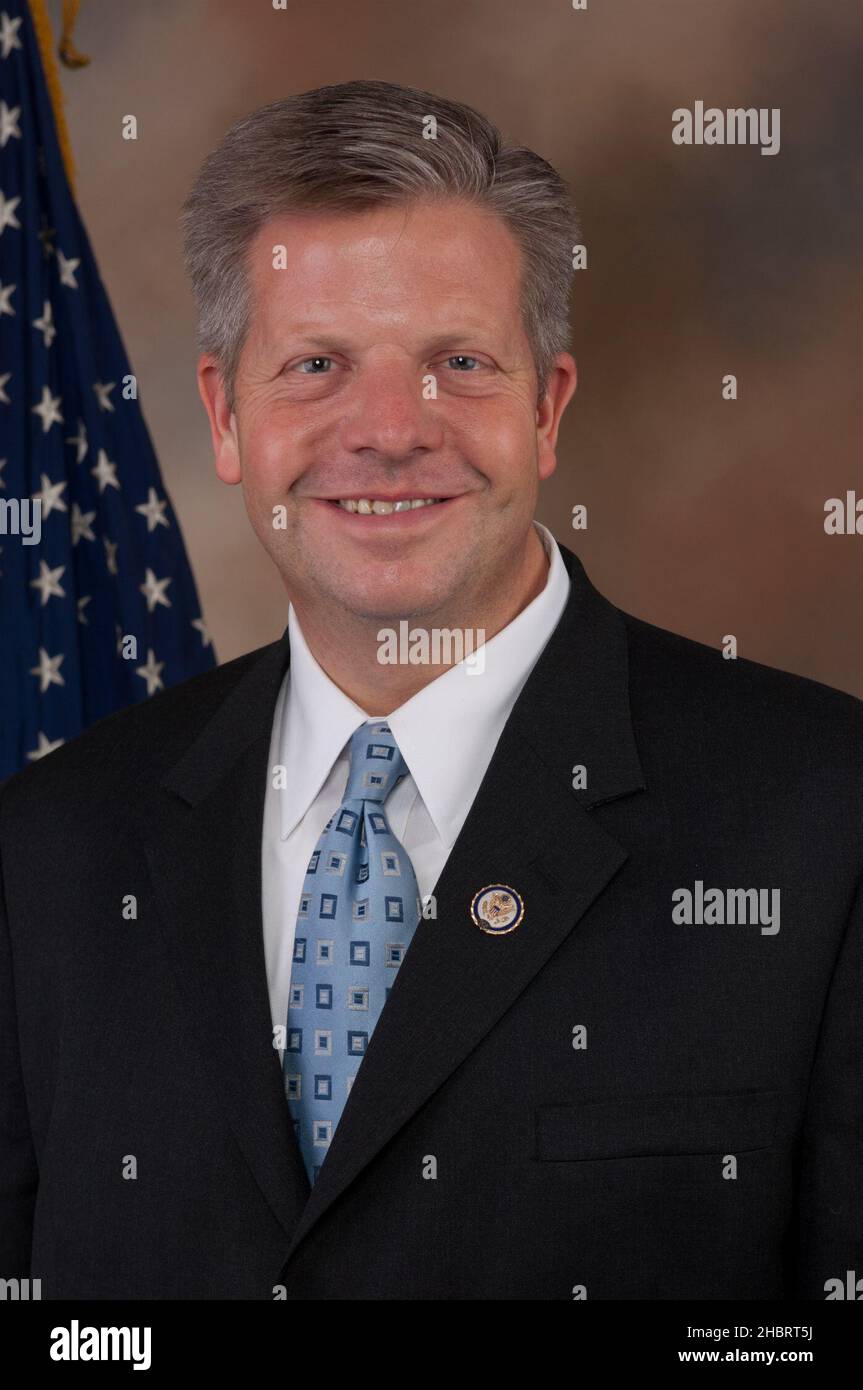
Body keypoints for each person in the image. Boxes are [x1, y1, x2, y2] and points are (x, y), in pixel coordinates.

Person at [1, 79, 861, 1301]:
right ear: (224, 416)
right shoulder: (52, 844)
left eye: (456, 361)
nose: (388, 430)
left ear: (545, 406)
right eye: (314, 364)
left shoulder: (824, 819)